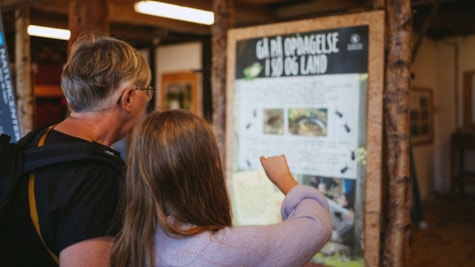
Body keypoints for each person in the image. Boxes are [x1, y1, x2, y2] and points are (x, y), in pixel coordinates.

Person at [111, 109, 332, 267]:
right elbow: (316, 226)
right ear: (210, 168)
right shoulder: (225, 249)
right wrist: (286, 181)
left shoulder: (131, 246)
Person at [3, 33, 152, 266]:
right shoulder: (97, 176)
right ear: (129, 98)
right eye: (147, 91)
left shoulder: (36, 141)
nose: (148, 100)